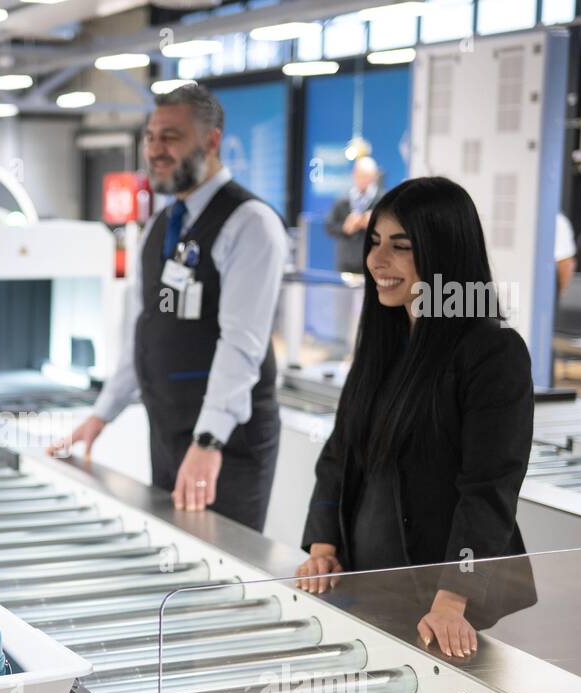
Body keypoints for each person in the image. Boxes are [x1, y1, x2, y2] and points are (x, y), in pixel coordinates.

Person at [297, 176, 535, 659]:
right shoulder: (385, 341)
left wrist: (452, 598)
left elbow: (489, 487)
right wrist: (322, 545)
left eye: (400, 247)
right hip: (368, 582)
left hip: (438, 594)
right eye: (374, 243)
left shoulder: (492, 352)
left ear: (443, 253)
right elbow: (341, 451)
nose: (377, 262)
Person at [50, 84, 287, 531]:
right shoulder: (162, 224)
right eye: (151, 136)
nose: (155, 150)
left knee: (224, 574)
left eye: (171, 137)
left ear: (211, 141)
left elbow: (242, 343)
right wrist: (102, 414)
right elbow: (142, 333)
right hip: (169, 429)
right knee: (177, 558)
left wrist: (208, 440)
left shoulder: (249, 224)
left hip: (226, 442)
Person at [324, 156, 382, 274]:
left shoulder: (383, 201)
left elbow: (393, 230)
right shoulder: (342, 200)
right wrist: (345, 228)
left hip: (373, 263)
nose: (364, 180)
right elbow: (329, 226)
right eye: (360, 175)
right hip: (346, 261)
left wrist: (375, 224)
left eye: (367, 177)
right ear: (354, 174)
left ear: (374, 177)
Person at [555, 211, 577, 294]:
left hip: (515, 285)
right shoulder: (558, 221)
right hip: (539, 293)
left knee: (514, 305)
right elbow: (565, 263)